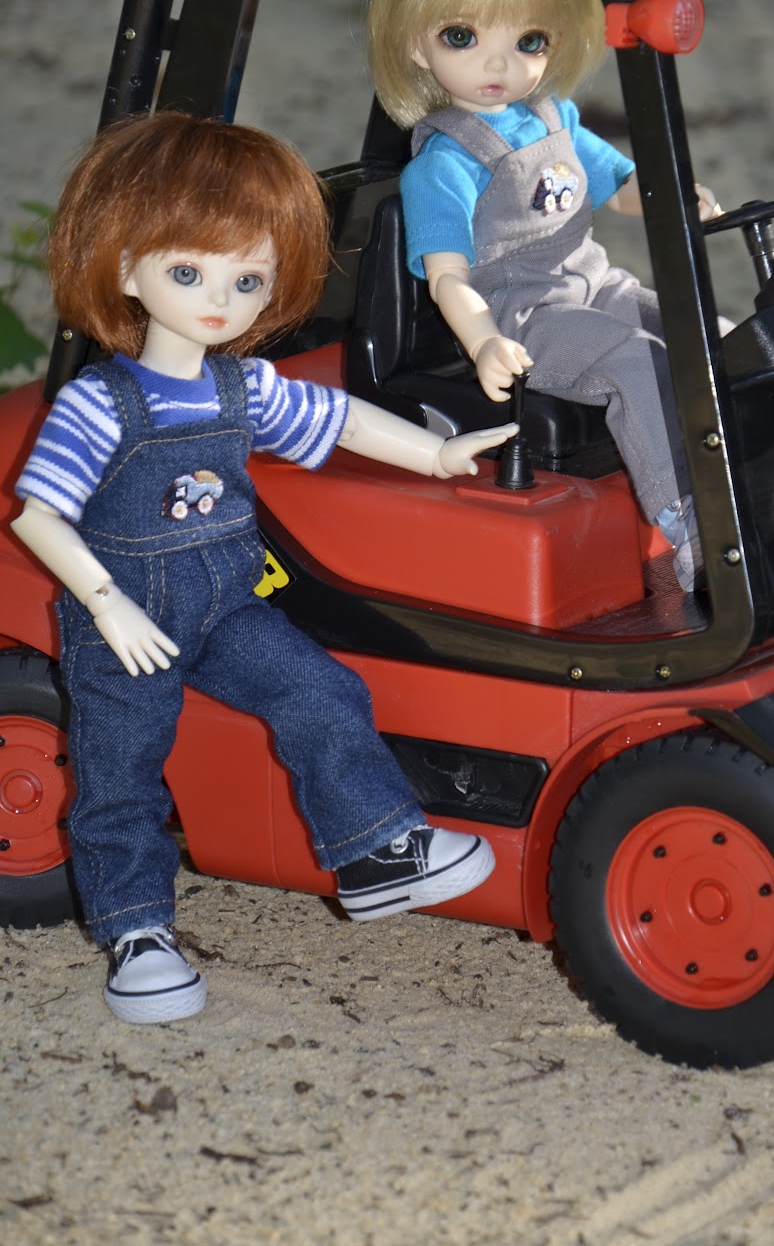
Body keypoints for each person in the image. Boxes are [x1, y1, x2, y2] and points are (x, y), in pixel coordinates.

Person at [11, 111, 516, 1025]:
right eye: (188, 273)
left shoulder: (243, 386)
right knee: (121, 771)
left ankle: (374, 849)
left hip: (226, 604)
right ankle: (136, 932)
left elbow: (338, 420)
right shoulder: (100, 403)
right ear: (125, 269)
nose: (219, 301)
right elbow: (39, 514)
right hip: (128, 617)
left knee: (319, 690)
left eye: (246, 280)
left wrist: (437, 455)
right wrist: (108, 604)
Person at [365, 0, 722, 592]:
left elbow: (619, 185)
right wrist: (484, 342)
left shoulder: (553, 117)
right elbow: (447, 277)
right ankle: (687, 523)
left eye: (529, 41)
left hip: (595, 286)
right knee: (635, 360)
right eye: (463, 36)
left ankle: (751, 477)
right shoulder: (443, 164)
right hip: (523, 317)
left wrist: (671, 194)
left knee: (714, 335)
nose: (499, 63)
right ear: (415, 45)